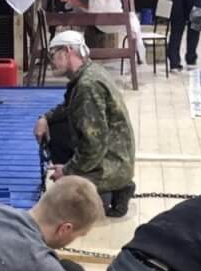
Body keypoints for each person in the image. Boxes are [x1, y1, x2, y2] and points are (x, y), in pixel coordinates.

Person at [32, 30, 136, 218]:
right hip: (116, 156)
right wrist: (45, 118)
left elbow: (94, 146)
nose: (51, 62)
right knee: (56, 127)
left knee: (65, 194)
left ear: (67, 51)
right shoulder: (90, 72)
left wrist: (67, 171)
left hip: (112, 164)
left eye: (53, 55)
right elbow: (68, 108)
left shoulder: (87, 86)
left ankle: (113, 187)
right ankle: (108, 185)